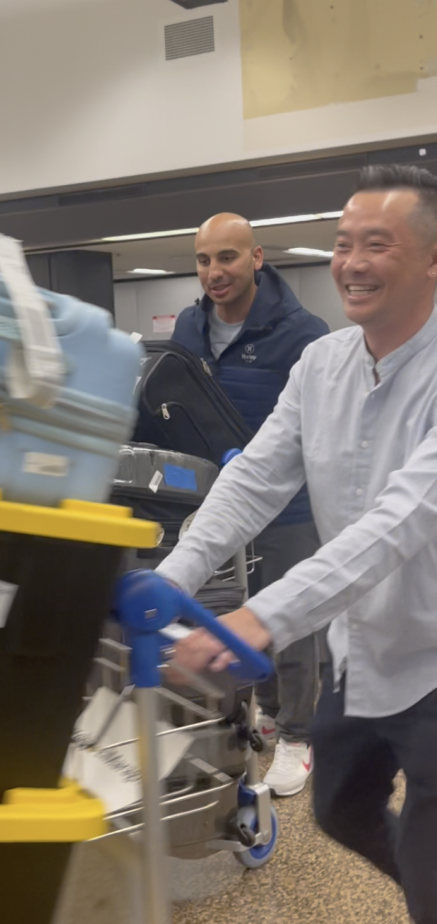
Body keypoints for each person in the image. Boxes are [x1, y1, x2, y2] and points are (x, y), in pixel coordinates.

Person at [160, 164, 437, 924]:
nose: (348, 263)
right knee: (339, 811)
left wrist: (263, 616)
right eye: (341, 244)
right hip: (366, 646)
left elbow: (400, 519)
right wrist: (176, 575)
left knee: (427, 854)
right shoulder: (322, 364)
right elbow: (253, 479)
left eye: (374, 245)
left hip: (436, 653)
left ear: (429, 259)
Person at [172, 213, 328, 796]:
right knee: (231, 610)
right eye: (204, 260)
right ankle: (265, 710)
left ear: (257, 258)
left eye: (228, 258)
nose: (215, 272)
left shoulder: (301, 333)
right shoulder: (189, 327)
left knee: (287, 621)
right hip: (215, 503)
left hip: (289, 507)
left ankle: (298, 734)